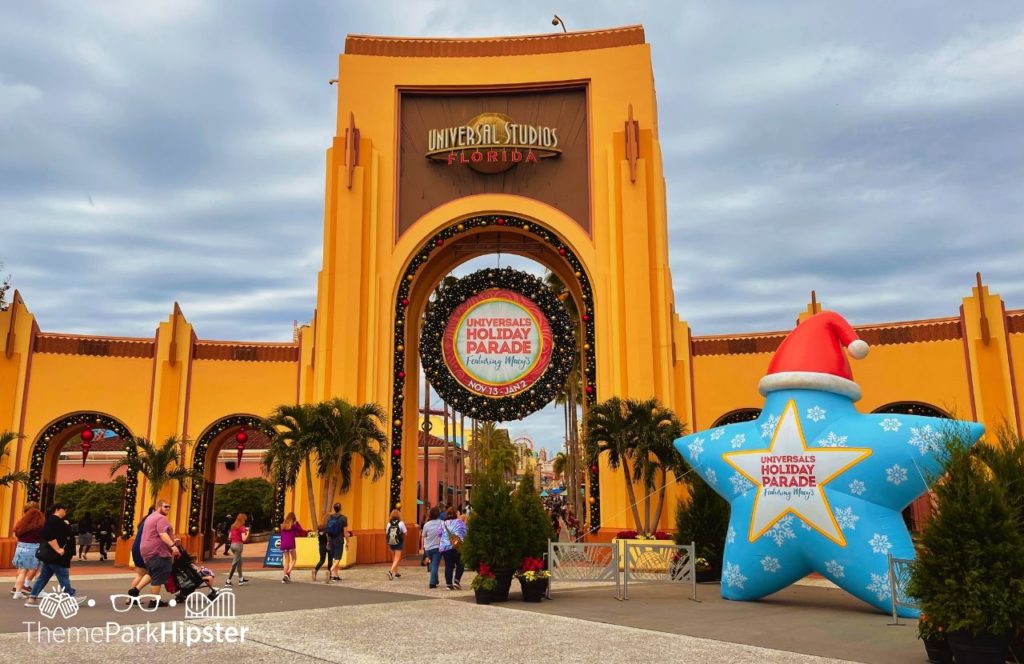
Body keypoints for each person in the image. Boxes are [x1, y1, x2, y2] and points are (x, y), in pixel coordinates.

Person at [25, 503, 87, 608]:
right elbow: (48, 535)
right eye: (64, 509)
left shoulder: (56, 521)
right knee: (63, 576)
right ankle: (70, 597)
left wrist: (66, 525)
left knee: (43, 577)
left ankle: (32, 597)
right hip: (56, 555)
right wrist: (57, 549)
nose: (65, 512)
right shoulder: (53, 520)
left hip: (52, 555)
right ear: (57, 509)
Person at [139, 499, 178, 609]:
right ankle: (154, 600)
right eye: (165, 506)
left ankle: (136, 590)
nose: (168, 509)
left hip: (147, 550)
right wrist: (173, 546)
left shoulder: (150, 517)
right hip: (157, 550)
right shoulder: (161, 518)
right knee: (159, 574)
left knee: (153, 572)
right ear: (158, 506)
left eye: (169, 507)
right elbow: (163, 534)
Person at [11, 502, 44, 599]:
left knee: (22, 570)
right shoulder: (39, 521)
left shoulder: (21, 521)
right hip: (34, 547)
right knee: (38, 570)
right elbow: (44, 535)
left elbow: (16, 534)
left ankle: (17, 592)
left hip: (21, 546)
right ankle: (38, 591)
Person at [126, 506, 155, 600]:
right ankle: (131, 597)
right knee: (149, 573)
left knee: (140, 574)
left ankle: (131, 597)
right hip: (142, 549)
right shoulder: (151, 521)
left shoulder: (144, 521)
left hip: (137, 548)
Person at [438, 506, 466, 590]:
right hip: (458, 546)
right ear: (456, 513)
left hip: (446, 547)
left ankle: (449, 584)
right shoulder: (460, 522)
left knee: (448, 566)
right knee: (460, 564)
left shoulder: (443, 523)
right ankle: (457, 581)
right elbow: (465, 533)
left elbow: (439, 534)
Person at [279, 512, 306, 583]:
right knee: (294, 559)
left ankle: (284, 577)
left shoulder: (283, 526)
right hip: (291, 544)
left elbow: (281, 536)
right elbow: (301, 530)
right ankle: (288, 574)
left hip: (283, 544)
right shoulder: (294, 525)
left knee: (287, 561)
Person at [420, 506, 442, 589]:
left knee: (433, 563)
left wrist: (423, 547)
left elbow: (423, 536)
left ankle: (436, 580)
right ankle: (432, 583)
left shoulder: (426, 524)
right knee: (435, 564)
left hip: (428, 548)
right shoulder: (442, 523)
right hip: (437, 547)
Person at [325, 503, 349, 582]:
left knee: (334, 558)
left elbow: (327, 531)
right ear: (340, 508)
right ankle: (330, 571)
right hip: (339, 540)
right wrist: (347, 541)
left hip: (331, 539)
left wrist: (328, 541)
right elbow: (345, 532)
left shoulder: (330, 518)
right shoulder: (343, 518)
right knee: (338, 558)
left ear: (334, 508)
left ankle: (336, 576)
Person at [225, 513, 250, 586]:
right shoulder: (242, 527)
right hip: (239, 545)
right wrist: (247, 532)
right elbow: (243, 539)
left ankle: (241, 579)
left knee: (240, 562)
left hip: (232, 545)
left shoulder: (233, 526)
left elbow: (229, 537)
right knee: (234, 563)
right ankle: (228, 580)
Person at [385, 509, 407, 580]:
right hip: (399, 542)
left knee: (394, 558)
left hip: (391, 542)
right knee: (397, 558)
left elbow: (386, 533)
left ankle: (396, 573)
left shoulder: (389, 523)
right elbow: (405, 532)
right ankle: (391, 572)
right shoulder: (401, 523)